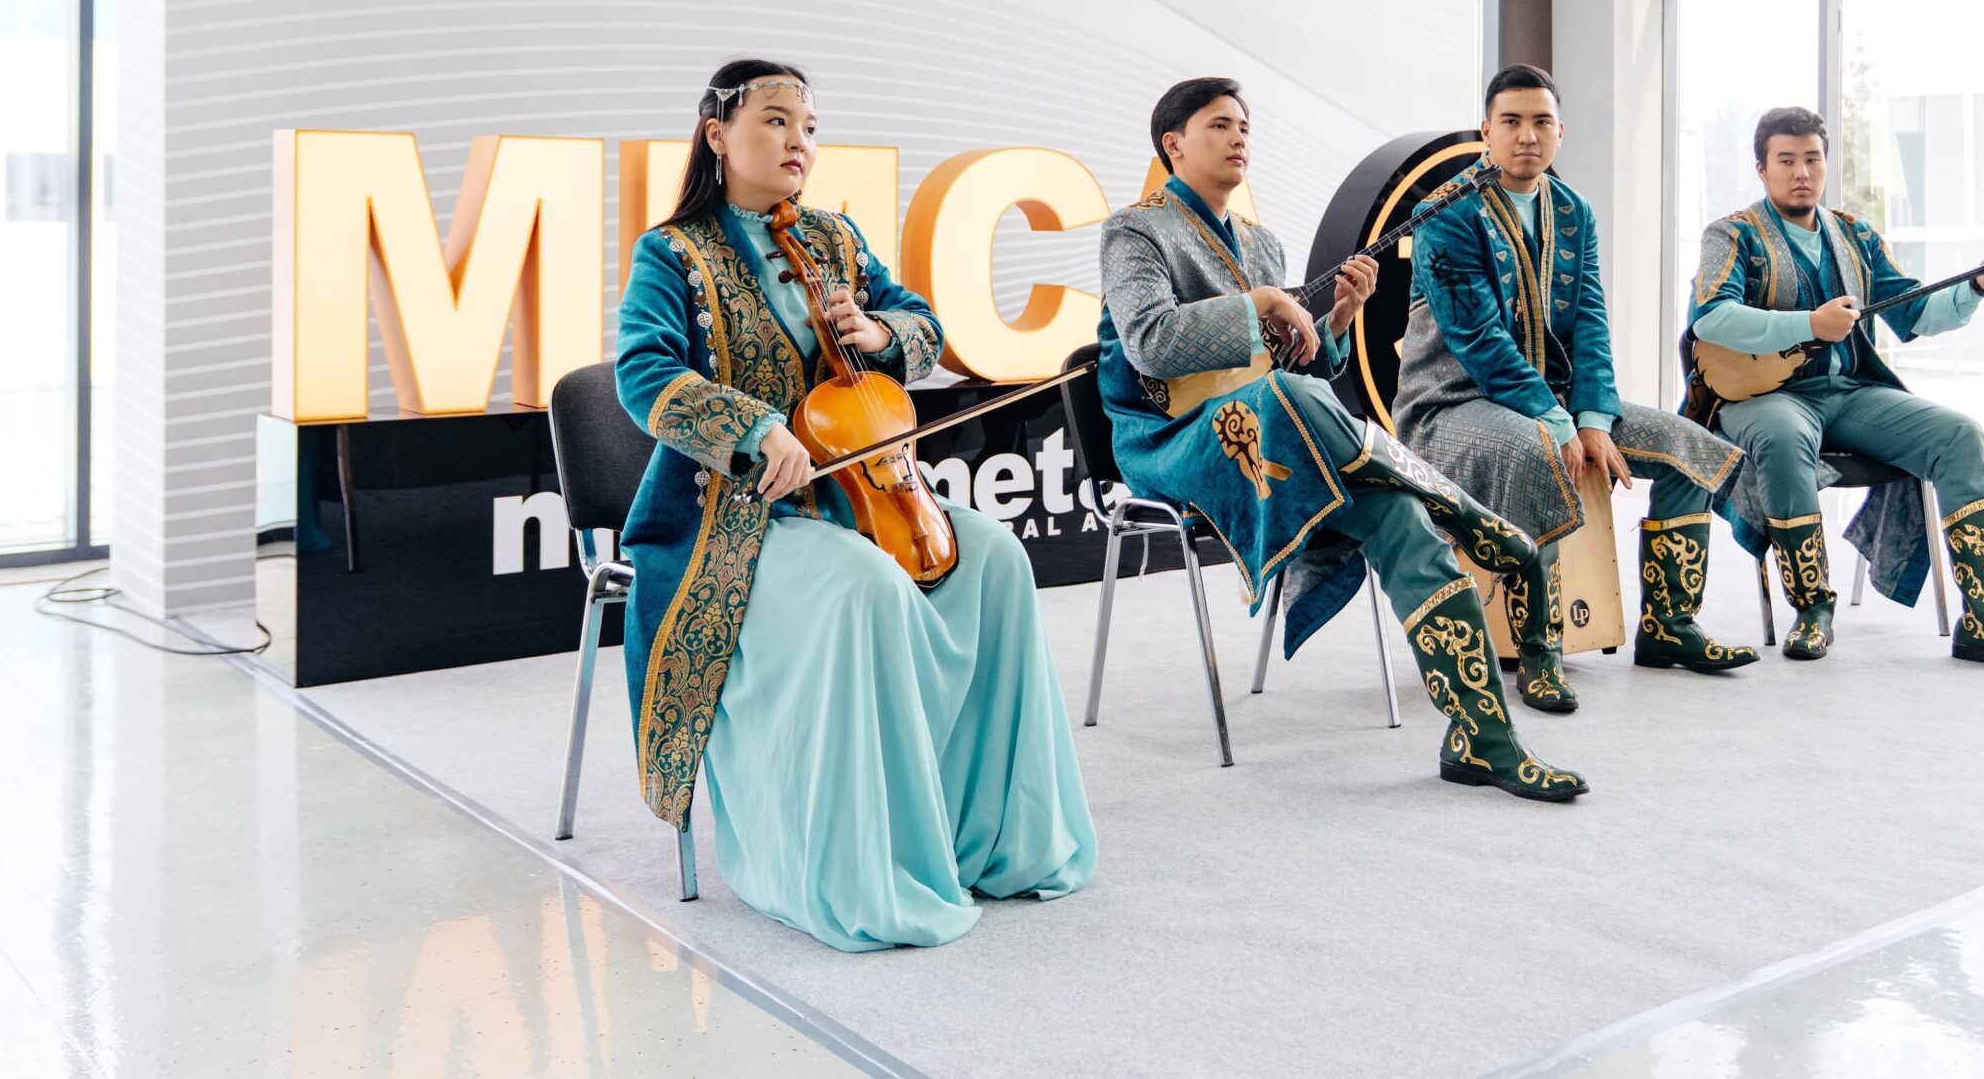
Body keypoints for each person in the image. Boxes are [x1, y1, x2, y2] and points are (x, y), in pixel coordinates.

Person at [614, 58, 1097, 952]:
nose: (797, 140)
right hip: (738, 515)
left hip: (863, 494)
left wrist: (880, 332)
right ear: (717, 134)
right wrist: (756, 428)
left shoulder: (834, 237)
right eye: (775, 120)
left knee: (996, 559)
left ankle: (995, 839)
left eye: (808, 125)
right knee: (864, 589)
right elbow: (644, 374)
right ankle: (872, 863)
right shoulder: (673, 252)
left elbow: (924, 324)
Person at [1096, 77, 1583, 802]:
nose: (1239, 138)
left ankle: (1482, 740)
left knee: (1400, 517)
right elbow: (1150, 343)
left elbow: (1291, 367)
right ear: (1173, 144)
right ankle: (1463, 511)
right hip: (1172, 442)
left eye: (1245, 126)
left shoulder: (1261, 242)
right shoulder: (1134, 230)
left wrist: (1338, 322)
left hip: (1274, 428)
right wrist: (1262, 302)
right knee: (1294, 402)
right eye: (1220, 125)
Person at [1394, 65, 1755, 713]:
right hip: (1450, 405)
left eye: (1541, 122)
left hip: (1557, 404)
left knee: (1686, 445)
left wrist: (1591, 417)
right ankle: (1540, 652)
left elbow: (1590, 320)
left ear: (1560, 131)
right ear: (1485, 130)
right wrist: (1559, 424)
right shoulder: (1445, 211)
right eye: (1511, 121)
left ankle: (1669, 624)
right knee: (1539, 453)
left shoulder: (1573, 210)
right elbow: (1478, 339)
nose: (1526, 135)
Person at [1687, 106, 1984, 670]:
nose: (1801, 172)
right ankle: (1813, 609)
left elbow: (1915, 313)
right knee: (1783, 439)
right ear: (1762, 169)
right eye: (1786, 160)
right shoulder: (1730, 234)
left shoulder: (1854, 234)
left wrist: (1978, 286)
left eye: (1812, 159)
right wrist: (1809, 324)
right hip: (1762, 397)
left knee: (1960, 434)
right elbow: (1711, 318)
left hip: (1849, 391)